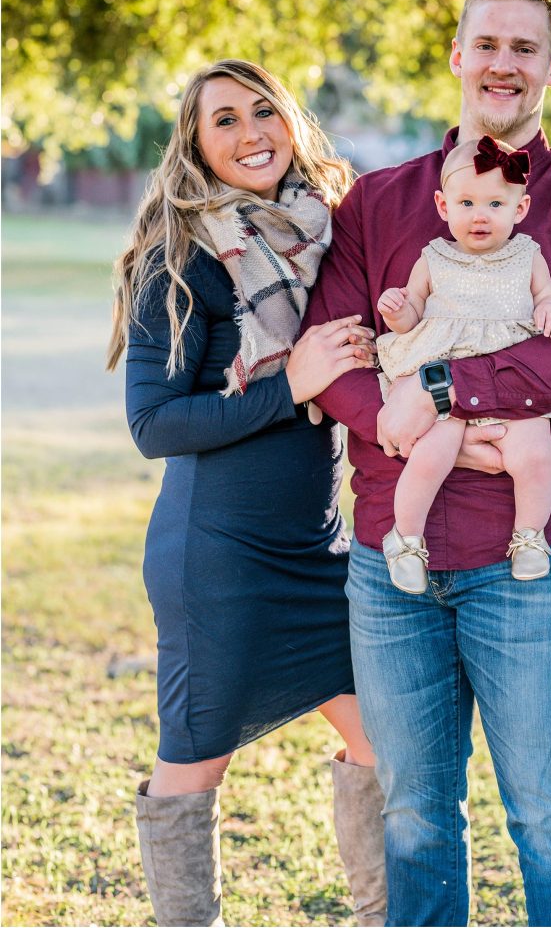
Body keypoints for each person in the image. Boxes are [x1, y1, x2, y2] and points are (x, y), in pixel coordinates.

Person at [304, 0, 551, 927]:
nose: (504, 62)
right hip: (392, 560)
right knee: (415, 815)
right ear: (458, 55)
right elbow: (331, 347)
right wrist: (391, 420)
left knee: (550, 816)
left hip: (535, 560)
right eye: (486, 43)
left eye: (525, 47)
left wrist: (447, 392)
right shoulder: (379, 203)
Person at [106, 59, 387, 928]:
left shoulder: (322, 235)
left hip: (315, 548)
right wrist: (292, 382)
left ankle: (387, 915)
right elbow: (155, 424)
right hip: (216, 556)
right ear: (195, 145)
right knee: (194, 764)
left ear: (291, 122)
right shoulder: (180, 258)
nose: (249, 131)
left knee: (382, 740)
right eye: (222, 119)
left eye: (263, 110)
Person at [376, 134, 551, 595]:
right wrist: (398, 310)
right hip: (444, 372)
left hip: (510, 376)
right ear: (442, 204)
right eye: (467, 202)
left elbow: (546, 294)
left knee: (535, 452)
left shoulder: (527, 254)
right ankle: (407, 537)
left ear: (520, 208)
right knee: (432, 452)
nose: (479, 215)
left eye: (495, 203)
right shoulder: (433, 258)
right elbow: (412, 309)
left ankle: (530, 536)